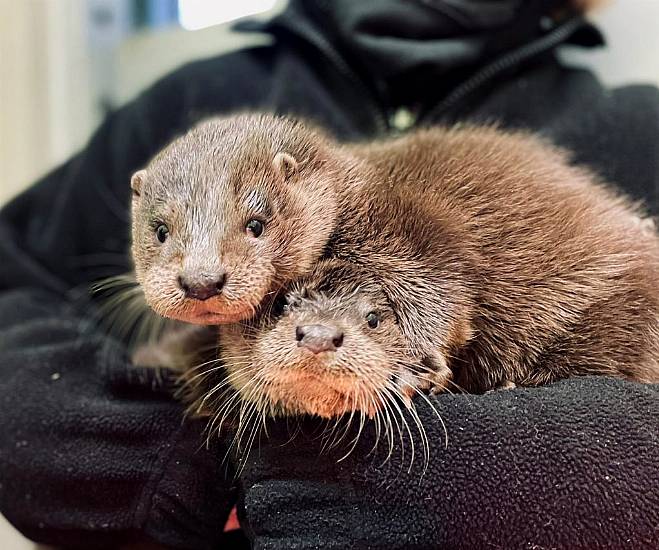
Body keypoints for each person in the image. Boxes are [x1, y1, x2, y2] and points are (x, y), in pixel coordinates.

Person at [1, 1, 657, 548]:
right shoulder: (187, 108)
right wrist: (141, 454)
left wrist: (429, 478)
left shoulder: (635, 129)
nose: (202, 272)